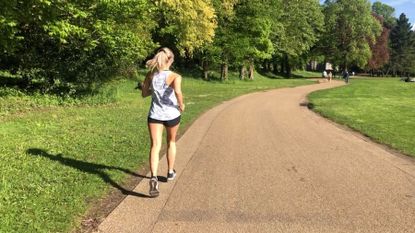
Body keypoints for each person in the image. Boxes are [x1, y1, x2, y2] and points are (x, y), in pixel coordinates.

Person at [140, 47, 185, 197]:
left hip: (155, 115)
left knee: (155, 145)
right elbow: (178, 92)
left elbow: (144, 93)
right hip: (171, 114)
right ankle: (170, 172)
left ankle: (153, 177)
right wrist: (181, 104)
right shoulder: (175, 76)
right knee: (171, 142)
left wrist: (155, 90)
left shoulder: (151, 75)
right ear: (170, 60)